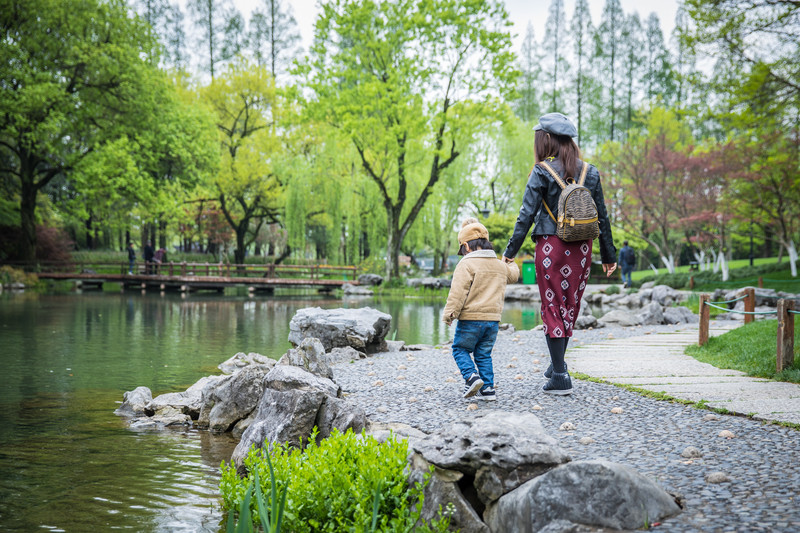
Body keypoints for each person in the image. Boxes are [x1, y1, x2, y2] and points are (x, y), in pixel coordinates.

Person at [502, 112, 617, 396]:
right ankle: (557, 366)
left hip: (551, 246)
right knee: (570, 305)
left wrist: (510, 252)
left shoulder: (541, 171)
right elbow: (602, 216)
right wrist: (609, 255)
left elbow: (526, 214)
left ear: (548, 138)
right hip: (583, 249)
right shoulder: (590, 171)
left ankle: (561, 376)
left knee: (552, 304)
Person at [443, 218, 520, 401]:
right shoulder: (499, 265)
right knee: (483, 354)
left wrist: (449, 314)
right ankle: (488, 390)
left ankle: (471, 377)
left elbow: (458, 292)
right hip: (492, 321)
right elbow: (514, 275)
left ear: (466, 247)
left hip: (470, 318)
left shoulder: (466, 264)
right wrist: (510, 262)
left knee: (460, 349)